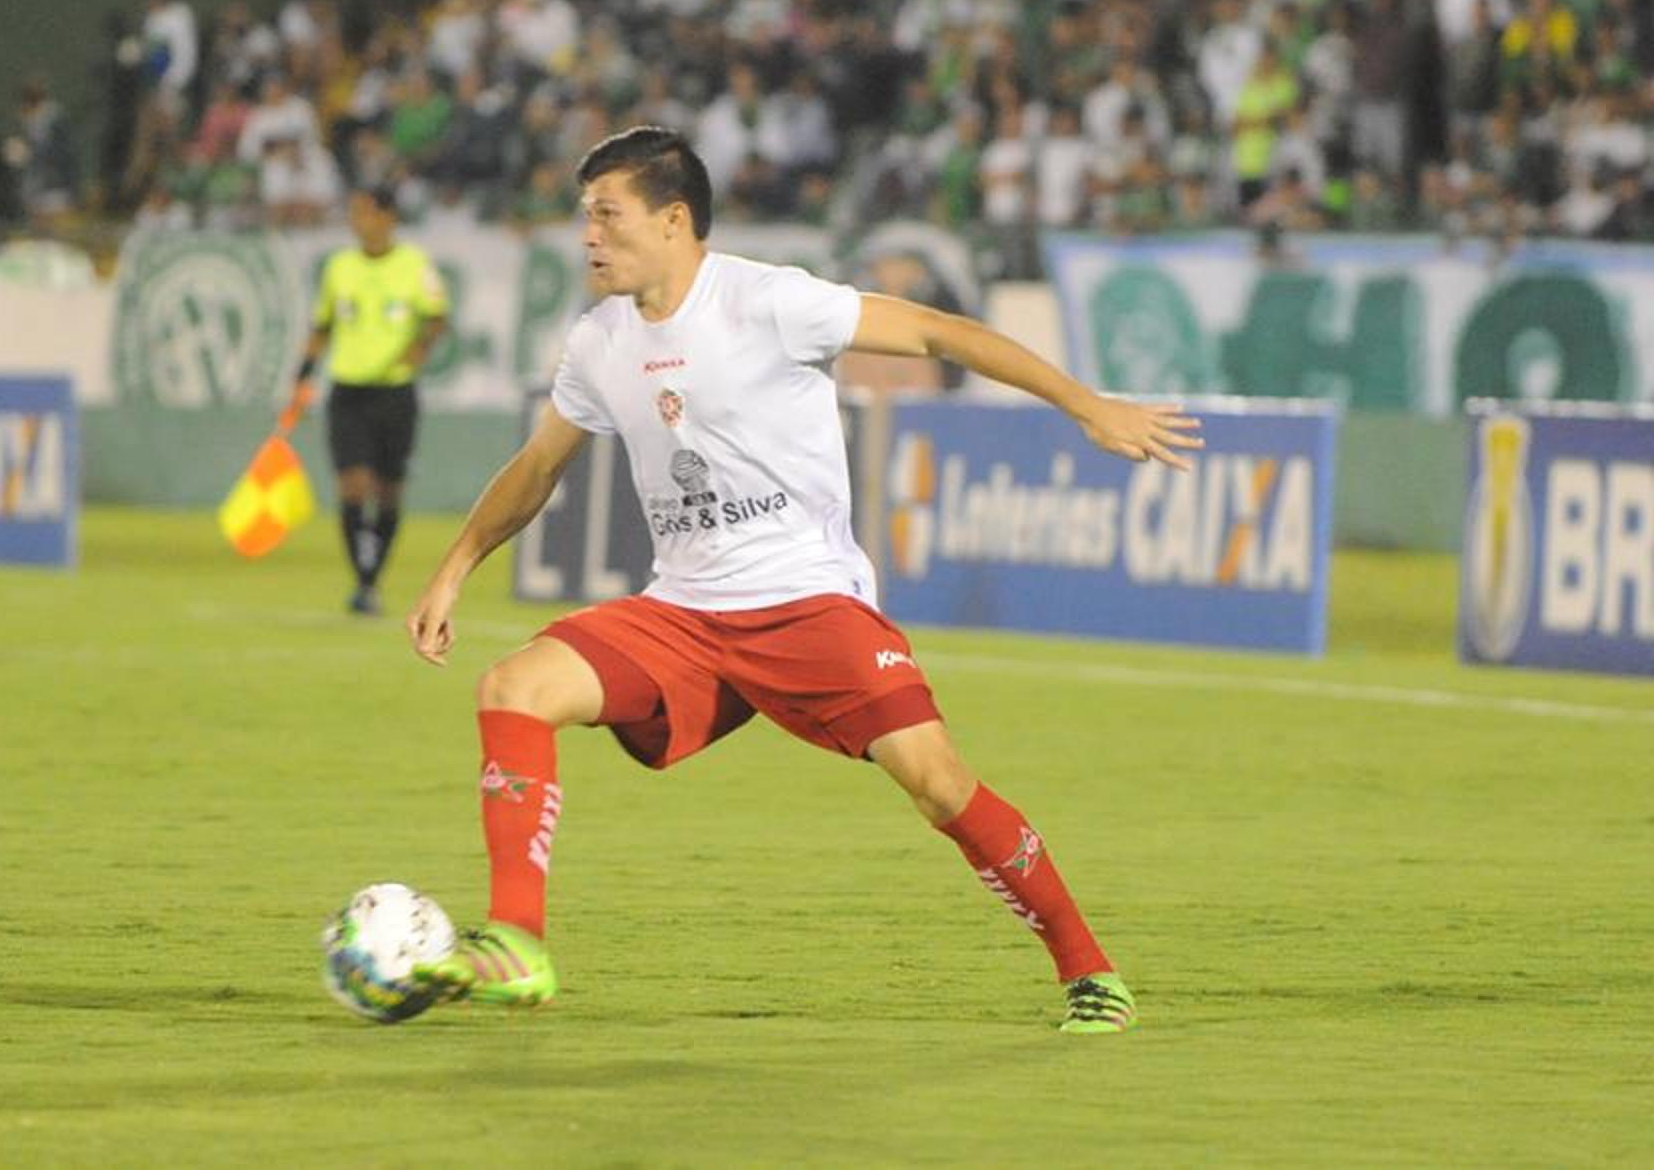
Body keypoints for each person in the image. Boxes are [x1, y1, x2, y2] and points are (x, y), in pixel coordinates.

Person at [404, 128, 1203, 1033]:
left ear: (673, 221)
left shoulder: (770, 302)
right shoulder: (599, 340)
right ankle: (516, 941)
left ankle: (1090, 971)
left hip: (807, 601)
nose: (588, 235)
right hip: (685, 613)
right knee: (513, 687)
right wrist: (453, 570)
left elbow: (941, 332)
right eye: (585, 216)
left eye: (606, 215)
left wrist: (1088, 406)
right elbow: (539, 466)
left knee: (939, 783)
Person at [292, 184, 448, 615]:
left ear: (387, 218)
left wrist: (414, 354)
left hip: (395, 392)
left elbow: (436, 318)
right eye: (354, 214)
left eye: (364, 213)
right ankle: (363, 580)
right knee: (353, 484)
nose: (357, 223)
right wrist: (302, 375)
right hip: (348, 391)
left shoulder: (414, 264)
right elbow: (322, 325)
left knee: (389, 490)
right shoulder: (339, 267)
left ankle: (372, 576)